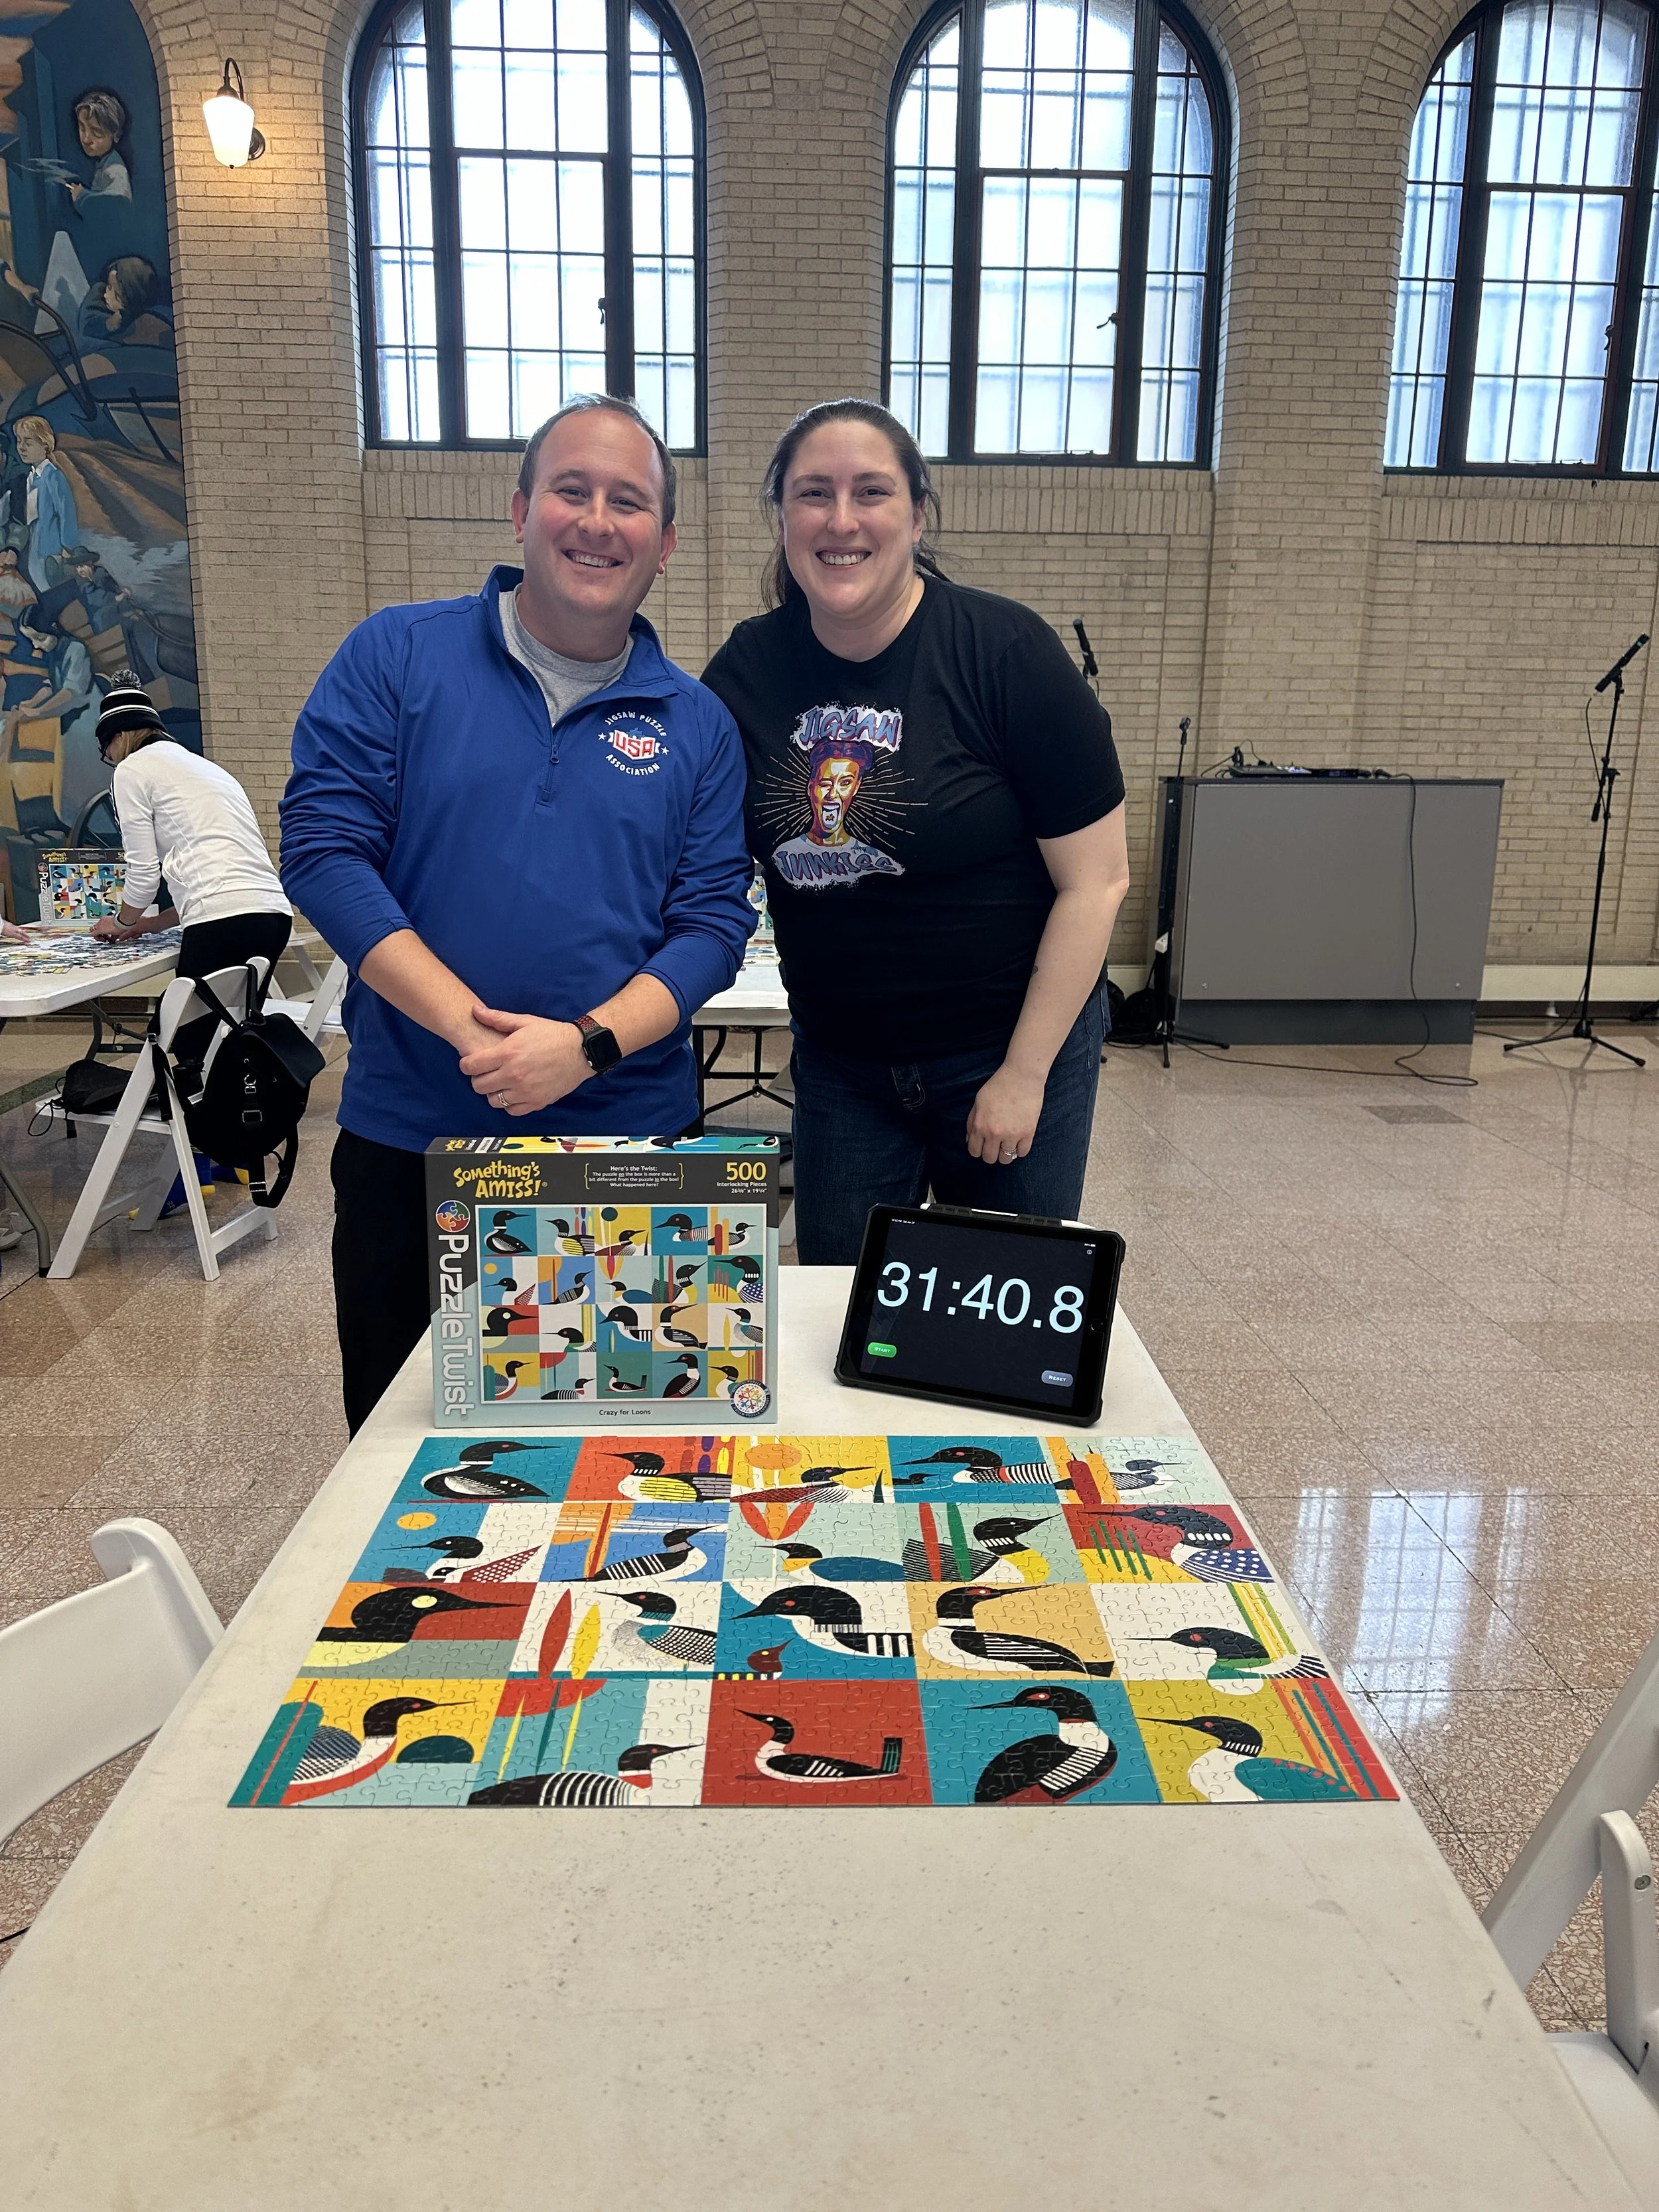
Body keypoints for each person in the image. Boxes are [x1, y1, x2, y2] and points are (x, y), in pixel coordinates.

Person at [280, 394, 755, 1433]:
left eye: (628, 501)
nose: (596, 521)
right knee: (411, 1456)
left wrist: (584, 1048)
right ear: (520, 509)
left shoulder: (701, 725)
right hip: (414, 1144)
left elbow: (714, 923)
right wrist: (470, 1029)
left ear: (665, 543)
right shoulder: (397, 657)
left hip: (627, 1145)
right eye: (570, 490)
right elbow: (323, 851)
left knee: (635, 1451)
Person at [702, 397, 1131, 1264]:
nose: (842, 519)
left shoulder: (1005, 653)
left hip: (1006, 1044)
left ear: (918, 513)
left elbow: (1097, 882)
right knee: (842, 1312)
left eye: (872, 492)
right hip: (843, 1062)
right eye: (814, 493)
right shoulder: (747, 669)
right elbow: (695, 862)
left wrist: (1022, 1076)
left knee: (997, 1321)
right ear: (782, 515)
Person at [89, 679, 292, 1067]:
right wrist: (147, 926)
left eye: (107, 751)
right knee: (232, 1036)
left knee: (175, 1039)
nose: (110, 759)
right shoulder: (207, 769)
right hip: (271, 915)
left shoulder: (132, 770)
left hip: (223, 923)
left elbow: (145, 873)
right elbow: (217, 882)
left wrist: (120, 921)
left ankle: (196, 1124)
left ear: (117, 738)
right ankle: (239, 1118)